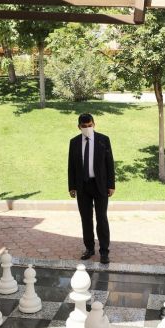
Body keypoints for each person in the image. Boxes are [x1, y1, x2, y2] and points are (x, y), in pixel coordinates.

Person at [67, 113, 115, 264]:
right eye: (84, 126)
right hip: (82, 186)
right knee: (86, 218)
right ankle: (89, 248)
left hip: (100, 185)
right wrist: (72, 186)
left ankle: (104, 251)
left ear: (94, 124)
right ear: (79, 127)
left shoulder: (103, 140)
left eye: (90, 125)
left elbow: (109, 163)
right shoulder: (74, 142)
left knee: (101, 218)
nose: (87, 128)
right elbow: (71, 165)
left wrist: (111, 185)